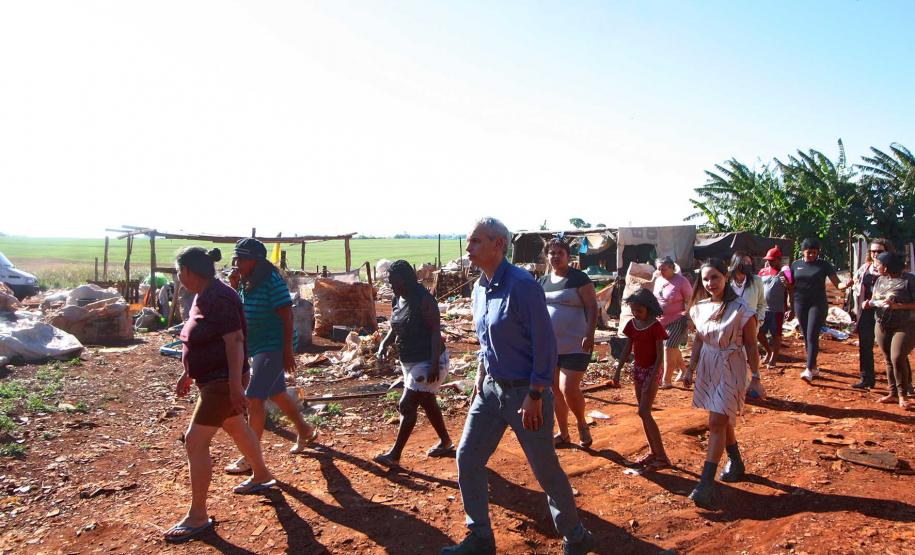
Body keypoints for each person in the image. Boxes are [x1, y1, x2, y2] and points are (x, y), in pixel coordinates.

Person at [442, 218, 593, 555]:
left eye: (475, 241)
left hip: (527, 394)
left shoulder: (523, 285)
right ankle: (480, 537)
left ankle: (576, 534)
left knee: (545, 470)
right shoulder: (479, 288)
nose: (469, 248)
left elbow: (546, 344)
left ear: (498, 245)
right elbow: (484, 339)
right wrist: (481, 375)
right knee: (467, 458)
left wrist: (537, 394)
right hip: (491, 391)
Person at [165, 247, 275, 544]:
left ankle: (198, 516)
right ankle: (262, 476)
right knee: (236, 426)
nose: (179, 278)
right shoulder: (206, 295)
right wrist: (188, 371)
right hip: (214, 378)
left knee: (195, 441)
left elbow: (235, 339)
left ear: (187, 270)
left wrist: (235, 384)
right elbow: (203, 337)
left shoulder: (219, 296)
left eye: (179, 272)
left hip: (220, 381)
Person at [225, 238, 318, 476]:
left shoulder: (271, 281)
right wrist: (234, 287)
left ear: (256, 261)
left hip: (274, 344)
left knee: (254, 398)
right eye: (236, 258)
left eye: (242, 259)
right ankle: (305, 430)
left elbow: (287, 316)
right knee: (276, 393)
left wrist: (287, 351)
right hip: (257, 345)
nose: (237, 263)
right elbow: (240, 308)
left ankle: (250, 455)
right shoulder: (246, 281)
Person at [685, 258, 760, 508]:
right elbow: (698, 339)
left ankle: (706, 484)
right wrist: (690, 368)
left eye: (714, 277)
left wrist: (756, 377)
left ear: (725, 276)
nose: (710, 283)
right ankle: (736, 461)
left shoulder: (741, 308)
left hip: (731, 365)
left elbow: (751, 344)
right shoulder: (700, 307)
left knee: (716, 421)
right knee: (722, 416)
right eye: (705, 279)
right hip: (708, 365)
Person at [374, 260, 454, 466]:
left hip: (429, 359)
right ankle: (445, 442)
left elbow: (435, 332)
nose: (393, 286)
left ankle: (395, 455)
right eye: (391, 282)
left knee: (407, 404)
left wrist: (434, 364)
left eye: (396, 282)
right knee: (427, 401)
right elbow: (394, 326)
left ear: (407, 279)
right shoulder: (397, 299)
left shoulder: (424, 300)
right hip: (409, 360)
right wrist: (384, 343)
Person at [538, 238, 598, 448]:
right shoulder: (543, 282)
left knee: (568, 387)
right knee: (555, 390)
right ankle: (563, 433)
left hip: (577, 344)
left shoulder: (578, 278)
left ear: (568, 256)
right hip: (551, 346)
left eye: (559, 253)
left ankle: (581, 423)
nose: (555, 256)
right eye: (551, 253)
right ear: (547, 256)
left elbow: (592, 306)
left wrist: (590, 334)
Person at [615, 288, 670, 470]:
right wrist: (618, 370)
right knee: (643, 412)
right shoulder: (632, 325)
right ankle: (654, 453)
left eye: (639, 310)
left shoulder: (655, 327)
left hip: (651, 371)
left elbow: (659, 357)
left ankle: (661, 456)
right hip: (638, 370)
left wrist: (652, 379)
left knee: (644, 412)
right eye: (633, 310)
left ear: (649, 308)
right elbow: (627, 349)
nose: (636, 314)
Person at [787, 238, 847, 383]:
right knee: (806, 335)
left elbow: (837, 283)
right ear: (803, 252)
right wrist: (790, 302)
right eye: (809, 253)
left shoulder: (824, 265)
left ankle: (808, 369)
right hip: (800, 303)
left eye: (815, 253)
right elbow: (790, 285)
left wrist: (845, 285)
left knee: (812, 334)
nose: (812, 255)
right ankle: (813, 366)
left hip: (817, 304)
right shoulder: (796, 264)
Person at [863, 252, 915, 408]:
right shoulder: (880, 280)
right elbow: (875, 299)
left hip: (906, 325)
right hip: (882, 324)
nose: (876, 266)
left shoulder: (909, 280)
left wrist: (898, 306)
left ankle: (903, 395)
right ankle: (893, 393)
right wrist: (869, 303)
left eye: (878, 264)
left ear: (886, 267)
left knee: (897, 357)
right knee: (888, 359)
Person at [844, 239, 893, 389]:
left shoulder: (891, 270)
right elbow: (855, 283)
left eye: (880, 251)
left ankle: (902, 384)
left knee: (891, 348)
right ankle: (867, 379)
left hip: (886, 313)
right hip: (866, 312)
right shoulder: (865, 268)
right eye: (873, 251)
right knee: (865, 345)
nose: (876, 254)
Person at [652, 257, 693, 388]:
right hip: (661, 320)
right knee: (672, 347)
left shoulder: (682, 281)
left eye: (663, 269)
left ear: (671, 268)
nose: (661, 271)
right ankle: (683, 370)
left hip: (678, 318)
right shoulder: (658, 280)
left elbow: (690, 300)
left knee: (668, 347)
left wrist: (690, 319)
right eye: (658, 269)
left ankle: (666, 380)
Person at [757, 247, 790, 369]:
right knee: (759, 333)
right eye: (768, 260)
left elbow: (791, 287)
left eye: (772, 260)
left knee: (776, 335)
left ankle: (774, 358)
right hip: (763, 309)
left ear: (779, 260)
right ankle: (768, 351)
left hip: (777, 310)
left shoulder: (784, 272)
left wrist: (790, 308)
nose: (770, 262)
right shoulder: (763, 272)